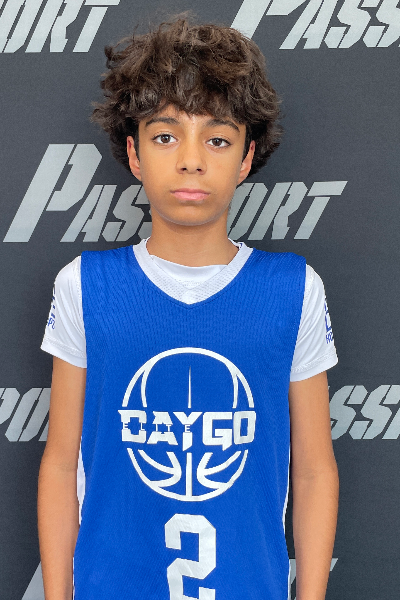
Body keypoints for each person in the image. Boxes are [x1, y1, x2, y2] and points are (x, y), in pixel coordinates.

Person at [37, 16, 339, 600]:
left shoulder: (294, 289)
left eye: (217, 139)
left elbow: (313, 469)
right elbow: (60, 463)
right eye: (166, 136)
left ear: (246, 157)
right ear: (134, 152)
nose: (192, 160)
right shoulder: (85, 285)